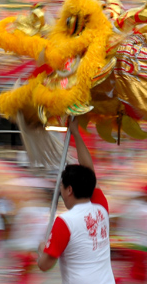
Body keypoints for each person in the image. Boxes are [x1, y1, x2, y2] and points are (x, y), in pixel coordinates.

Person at [37, 119, 115, 284]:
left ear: (69, 189)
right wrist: (76, 133)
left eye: (62, 187)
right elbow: (89, 170)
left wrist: (41, 250)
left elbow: (44, 265)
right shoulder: (101, 208)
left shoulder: (65, 222)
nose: (61, 192)